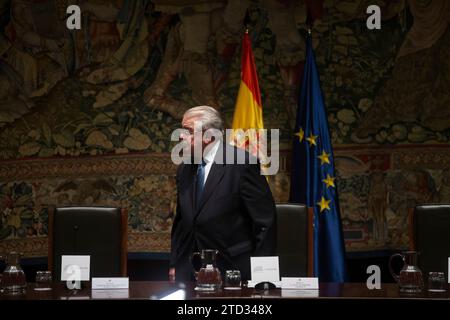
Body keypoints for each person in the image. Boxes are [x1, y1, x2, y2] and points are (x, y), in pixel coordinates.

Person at [169, 105, 276, 281]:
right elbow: (181, 221)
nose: (181, 136)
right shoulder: (184, 168)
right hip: (188, 269)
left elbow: (265, 222)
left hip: (232, 269)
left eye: (188, 130)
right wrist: (174, 263)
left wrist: (262, 275)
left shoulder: (241, 163)